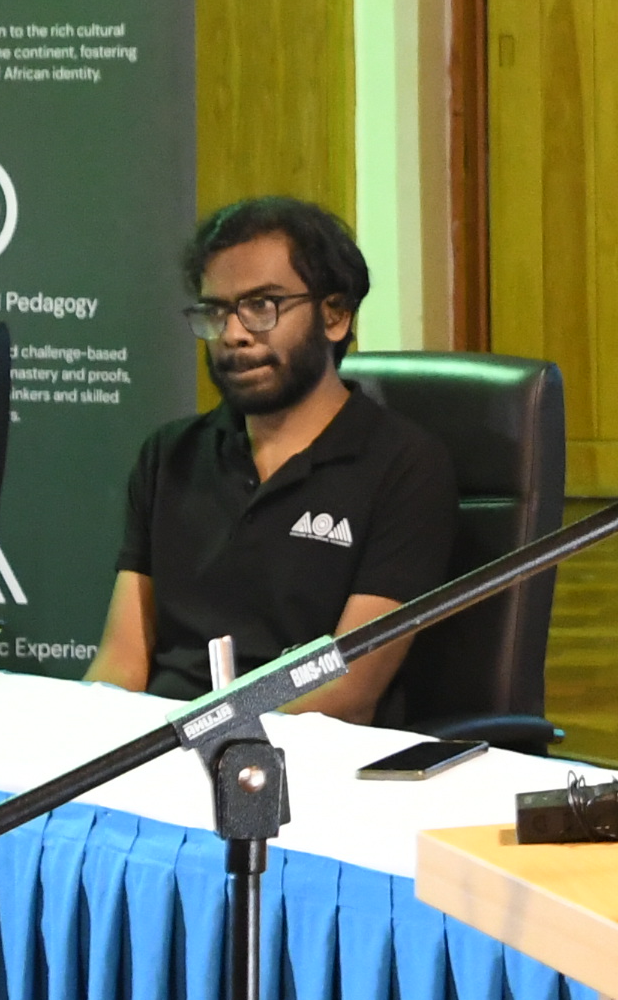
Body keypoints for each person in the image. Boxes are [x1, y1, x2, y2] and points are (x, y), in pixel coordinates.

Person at [91, 196, 455, 721]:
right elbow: (121, 664)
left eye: (263, 306)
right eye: (217, 311)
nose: (234, 333)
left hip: (301, 761)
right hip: (157, 751)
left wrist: (208, 734)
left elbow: (346, 689)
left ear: (334, 315)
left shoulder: (405, 466)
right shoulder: (169, 455)